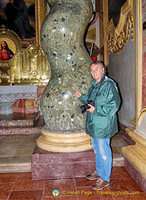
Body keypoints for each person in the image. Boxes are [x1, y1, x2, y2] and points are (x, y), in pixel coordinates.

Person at [75, 61, 121, 190]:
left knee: (103, 150)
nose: (93, 73)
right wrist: (81, 97)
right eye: (92, 70)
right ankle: (100, 171)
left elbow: (114, 105)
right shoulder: (94, 85)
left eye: (96, 70)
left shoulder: (109, 85)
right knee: (97, 149)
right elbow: (91, 101)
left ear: (103, 70)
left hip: (103, 124)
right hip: (94, 124)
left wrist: (96, 110)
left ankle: (105, 178)